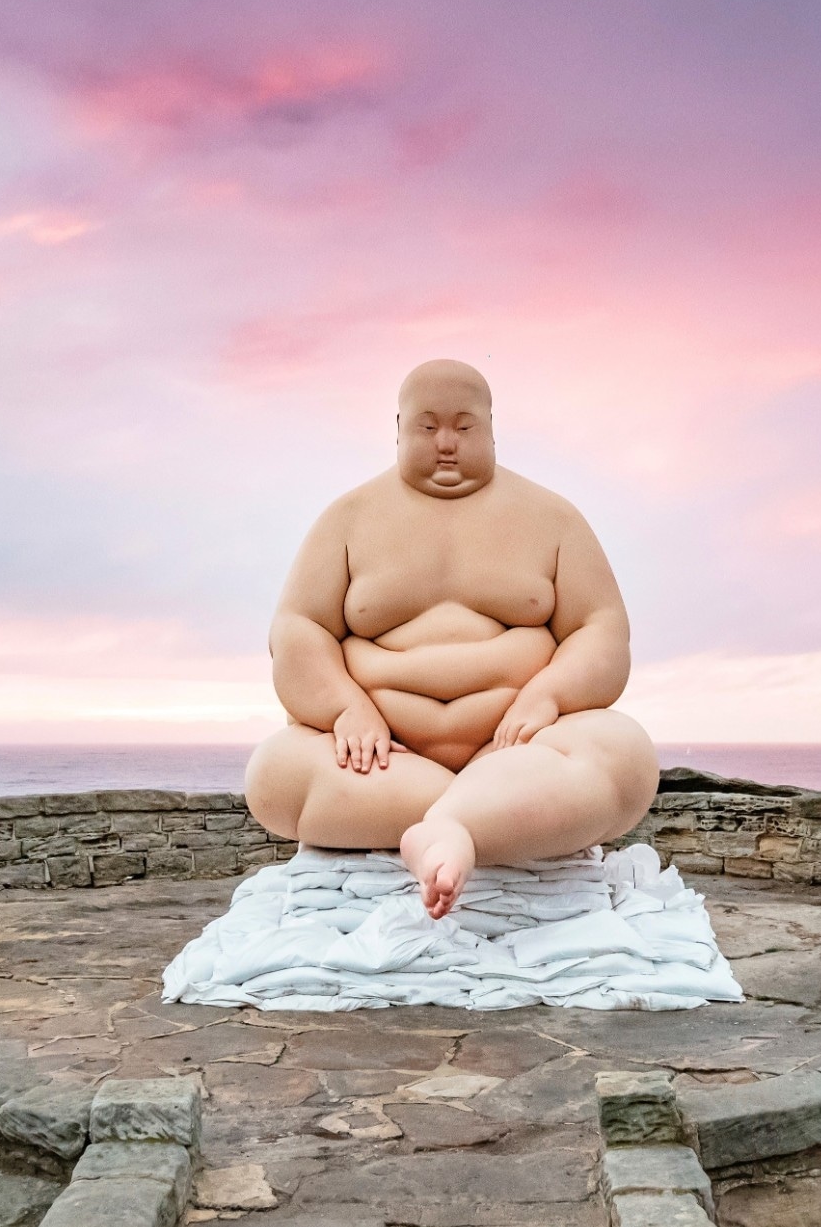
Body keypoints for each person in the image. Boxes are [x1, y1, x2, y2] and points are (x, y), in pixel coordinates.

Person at [244, 359, 660, 918]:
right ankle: (480, 820)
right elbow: (298, 630)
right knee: (275, 774)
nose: (446, 444)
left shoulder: (553, 518)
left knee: (625, 756)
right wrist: (346, 709)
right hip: (386, 765)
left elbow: (602, 628)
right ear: (398, 428)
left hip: (519, 755)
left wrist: (550, 695)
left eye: (465, 428)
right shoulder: (346, 519)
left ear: (491, 430)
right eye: (427, 426)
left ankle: (446, 830)